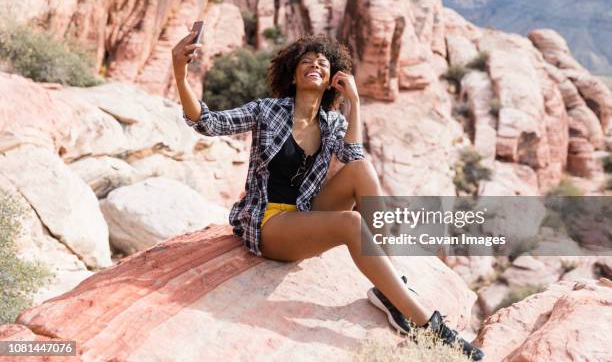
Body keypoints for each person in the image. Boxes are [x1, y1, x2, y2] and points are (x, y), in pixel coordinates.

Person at [172, 29, 484, 361]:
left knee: (362, 171)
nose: (314, 65)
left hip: (304, 215)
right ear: (292, 74)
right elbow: (209, 123)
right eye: (305, 61)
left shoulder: (332, 123)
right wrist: (181, 73)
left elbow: (352, 158)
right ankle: (429, 327)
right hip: (270, 225)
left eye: (322, 63)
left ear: (330, 79)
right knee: (350, 224)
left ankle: (393, 293)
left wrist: (355, 101)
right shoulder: (267, 111)